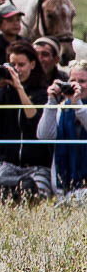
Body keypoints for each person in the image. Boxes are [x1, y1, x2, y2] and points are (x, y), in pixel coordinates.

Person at [0, 41, 52, 197]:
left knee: (38, 195)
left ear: (32, 64)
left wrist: (19, 87)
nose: (17, 70)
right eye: (12, 65)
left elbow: (34, 120)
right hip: (5, 163)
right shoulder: (3, 93)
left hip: (37, 165)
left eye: (21, 65)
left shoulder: (43, 93)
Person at [37, 61, 87, 196]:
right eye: (72, 81)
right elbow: (44, 136)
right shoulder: (62, 109)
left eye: (82, 81)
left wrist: (77, 104)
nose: (77, 85)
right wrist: (51, 102)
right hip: (62, 187)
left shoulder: (79, 107)